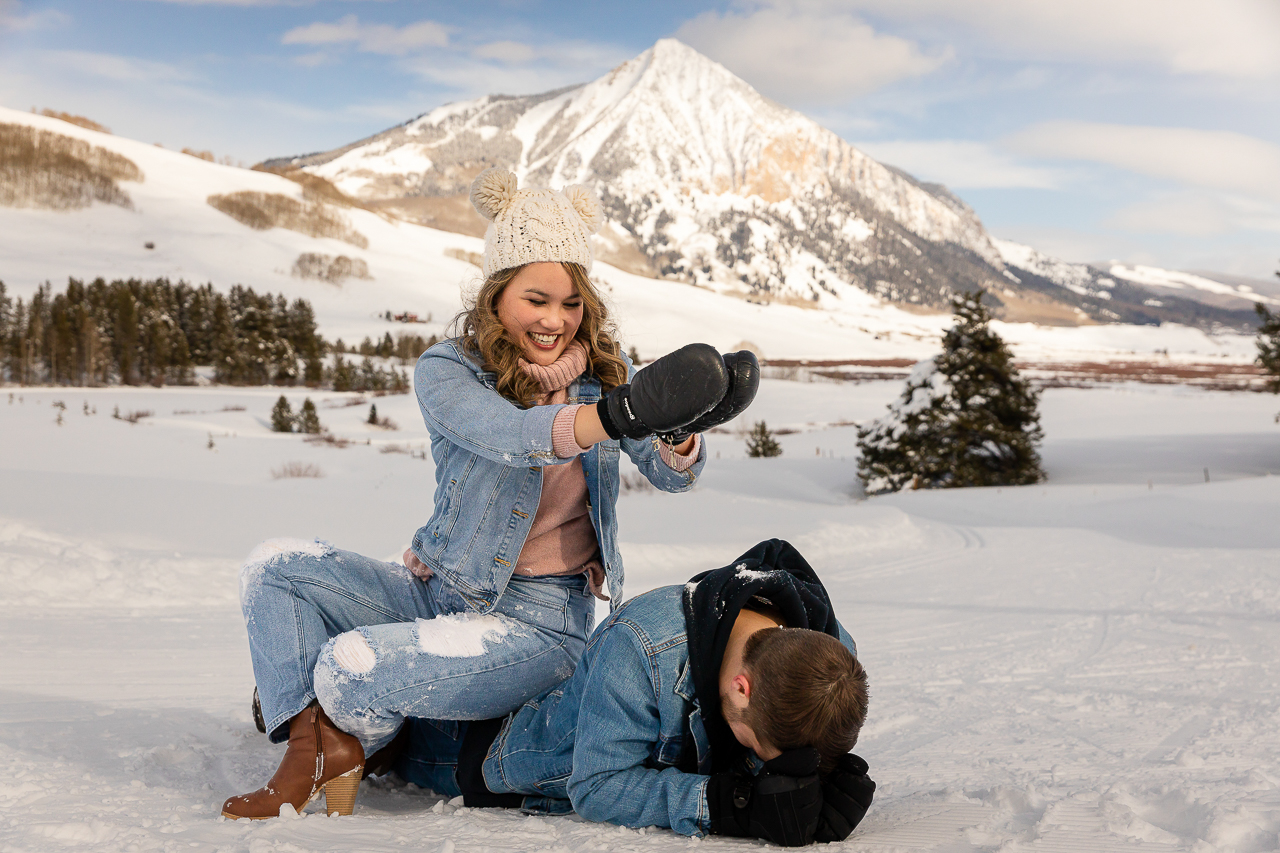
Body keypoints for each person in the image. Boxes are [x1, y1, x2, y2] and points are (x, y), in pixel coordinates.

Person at [221, 169, 761, 820]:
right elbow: (509, 434)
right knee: (274, 568)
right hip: (431, 587)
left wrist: (677, 430)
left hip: (536, 625)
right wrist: (610, 419)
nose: (555, 321)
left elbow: (674, 474)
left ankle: (336, 737)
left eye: (571, 303)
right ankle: (339, 736)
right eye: (537, 299)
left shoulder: (604, 381)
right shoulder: (449, 370)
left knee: (345, 666)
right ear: (496, 295)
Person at [392, 539, 876, 847]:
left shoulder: (830, 653)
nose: (756, 758)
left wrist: (820, 781)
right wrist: (734, 804)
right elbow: (596, 786)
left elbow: (788, 749)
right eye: (753, 745)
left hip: (560, 698)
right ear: (741, 687)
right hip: (489, 754)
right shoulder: (642, 644)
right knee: (393, 744)